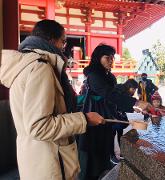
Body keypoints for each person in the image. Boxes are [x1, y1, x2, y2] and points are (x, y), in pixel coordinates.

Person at [0, 19, 104, 180]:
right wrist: (84, 119)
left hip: (35, 157)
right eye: (63, 41)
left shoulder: (25, 65)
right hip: (50, 161)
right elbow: (39, 126)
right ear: (51, 40)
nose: (64, 47)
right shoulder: (40, 67)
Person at [78, 44, 151, 180]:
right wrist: (136, 102)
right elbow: (109, 94)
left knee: (104, 148)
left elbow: (114, 99)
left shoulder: (110, 76)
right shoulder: (93, 75)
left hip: (107, 116)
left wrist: (131, 108)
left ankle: (101, 171)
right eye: (107, 57)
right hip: (93, 116)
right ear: (98, 58)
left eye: (112, 57)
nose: (111, 60)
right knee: (92, 153)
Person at [110, 78, 139, 164]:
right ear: (129, 86)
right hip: (113, 117)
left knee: (120, 134)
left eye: (135, 90)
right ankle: (111, 156)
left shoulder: (125, 93)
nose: (134, 91)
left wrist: (134, 109)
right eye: (133, 89)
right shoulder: (120, 92)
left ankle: (122, 152)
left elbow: (126, 105)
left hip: (120, 117)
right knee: (111, 136)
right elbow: (118, 104)